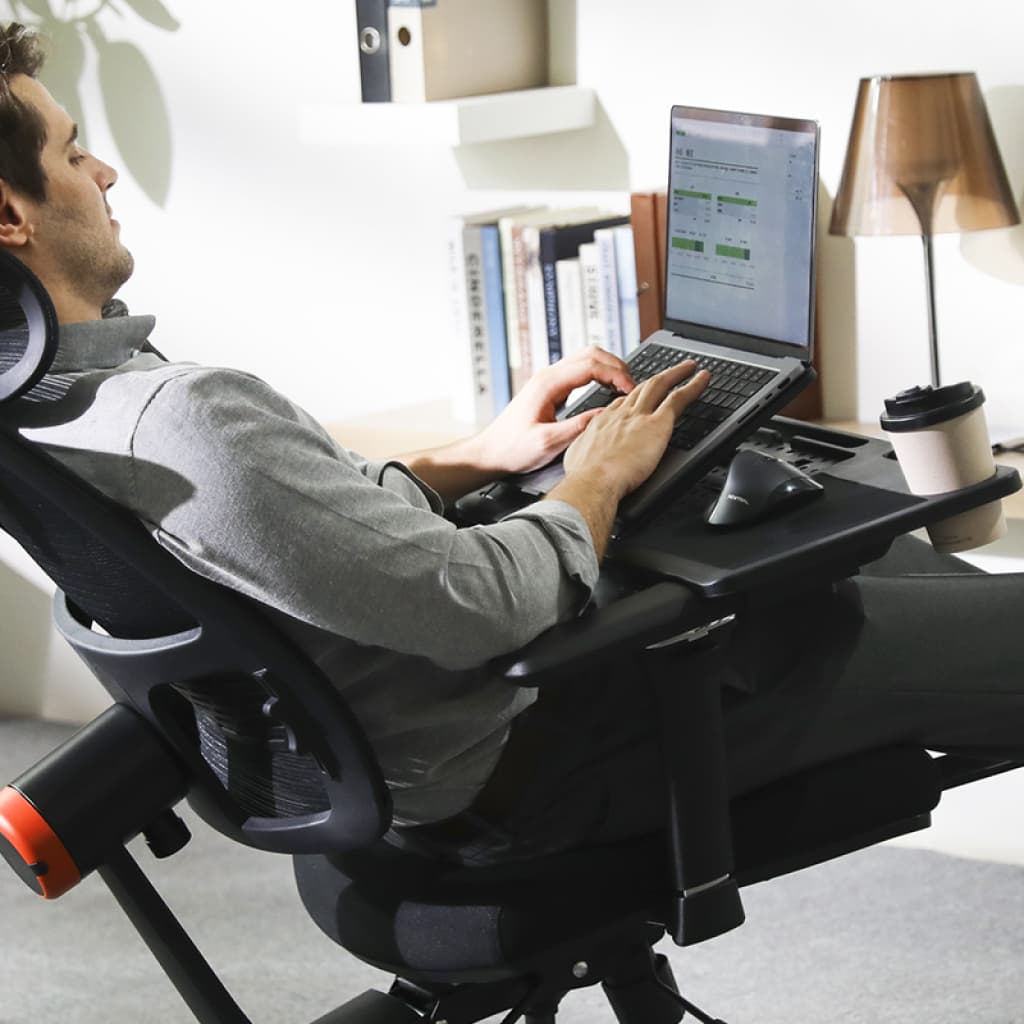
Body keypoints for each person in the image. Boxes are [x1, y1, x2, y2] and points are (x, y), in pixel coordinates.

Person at [1, 22, 1022, 865]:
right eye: (72, 152)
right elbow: (481, 605)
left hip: (414, 764)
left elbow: (300, 540)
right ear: (12, 215)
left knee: (883, 552)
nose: (104, 170)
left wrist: (479, 456)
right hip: (545, 750)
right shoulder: (179, 416)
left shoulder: (50, 414)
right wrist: (596, 479)